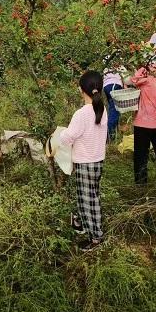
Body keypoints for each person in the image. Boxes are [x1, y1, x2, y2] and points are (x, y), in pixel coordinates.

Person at [60, 70, 108, 251]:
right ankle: (81, 223)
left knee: (88, 200)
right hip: (97, 161)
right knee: (91, 196)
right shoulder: (101, 109)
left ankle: (95, 238)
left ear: (81, 89)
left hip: (85, 163)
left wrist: (61, 133)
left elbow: (68, 138)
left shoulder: (81, 114)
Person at [131, 37, 156, 185]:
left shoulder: (147, 73)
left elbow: (133, 80)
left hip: (143, 121)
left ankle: (141, 183)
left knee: (141, 155)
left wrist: (142, 68)